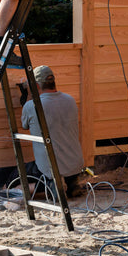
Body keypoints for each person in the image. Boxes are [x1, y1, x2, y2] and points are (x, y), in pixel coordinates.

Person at [20, 65, 85, 197]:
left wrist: (29, 95)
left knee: (13, 180)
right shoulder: (70, 100)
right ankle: (72, 184)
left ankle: (50, 187)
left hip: (50, 169)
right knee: (63, 166)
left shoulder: (32, 105)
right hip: (75, 165)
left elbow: (24, 125)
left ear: (36, 86)